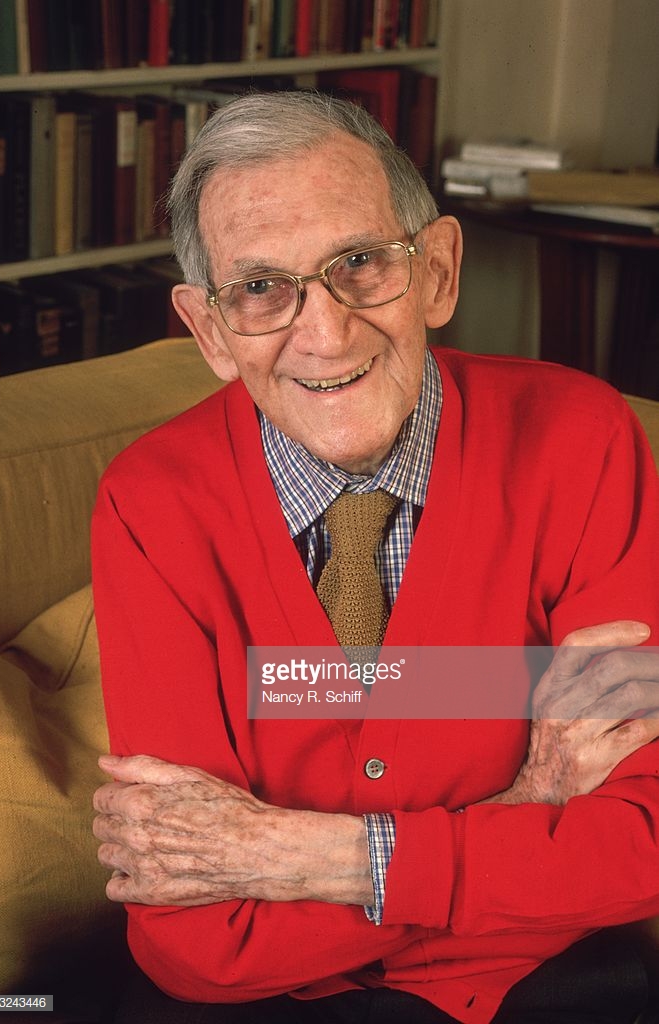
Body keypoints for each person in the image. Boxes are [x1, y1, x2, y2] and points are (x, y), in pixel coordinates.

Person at [91, 91, 659, 1024]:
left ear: (436, 271)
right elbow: (197, 943)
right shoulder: (150, 502)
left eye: (359, 263)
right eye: (261, 287)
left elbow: (638, 848)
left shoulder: (581, 440)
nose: (325, 334)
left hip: (543, 994)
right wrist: (525, 810)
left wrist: (302, 859)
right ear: (210, 332)